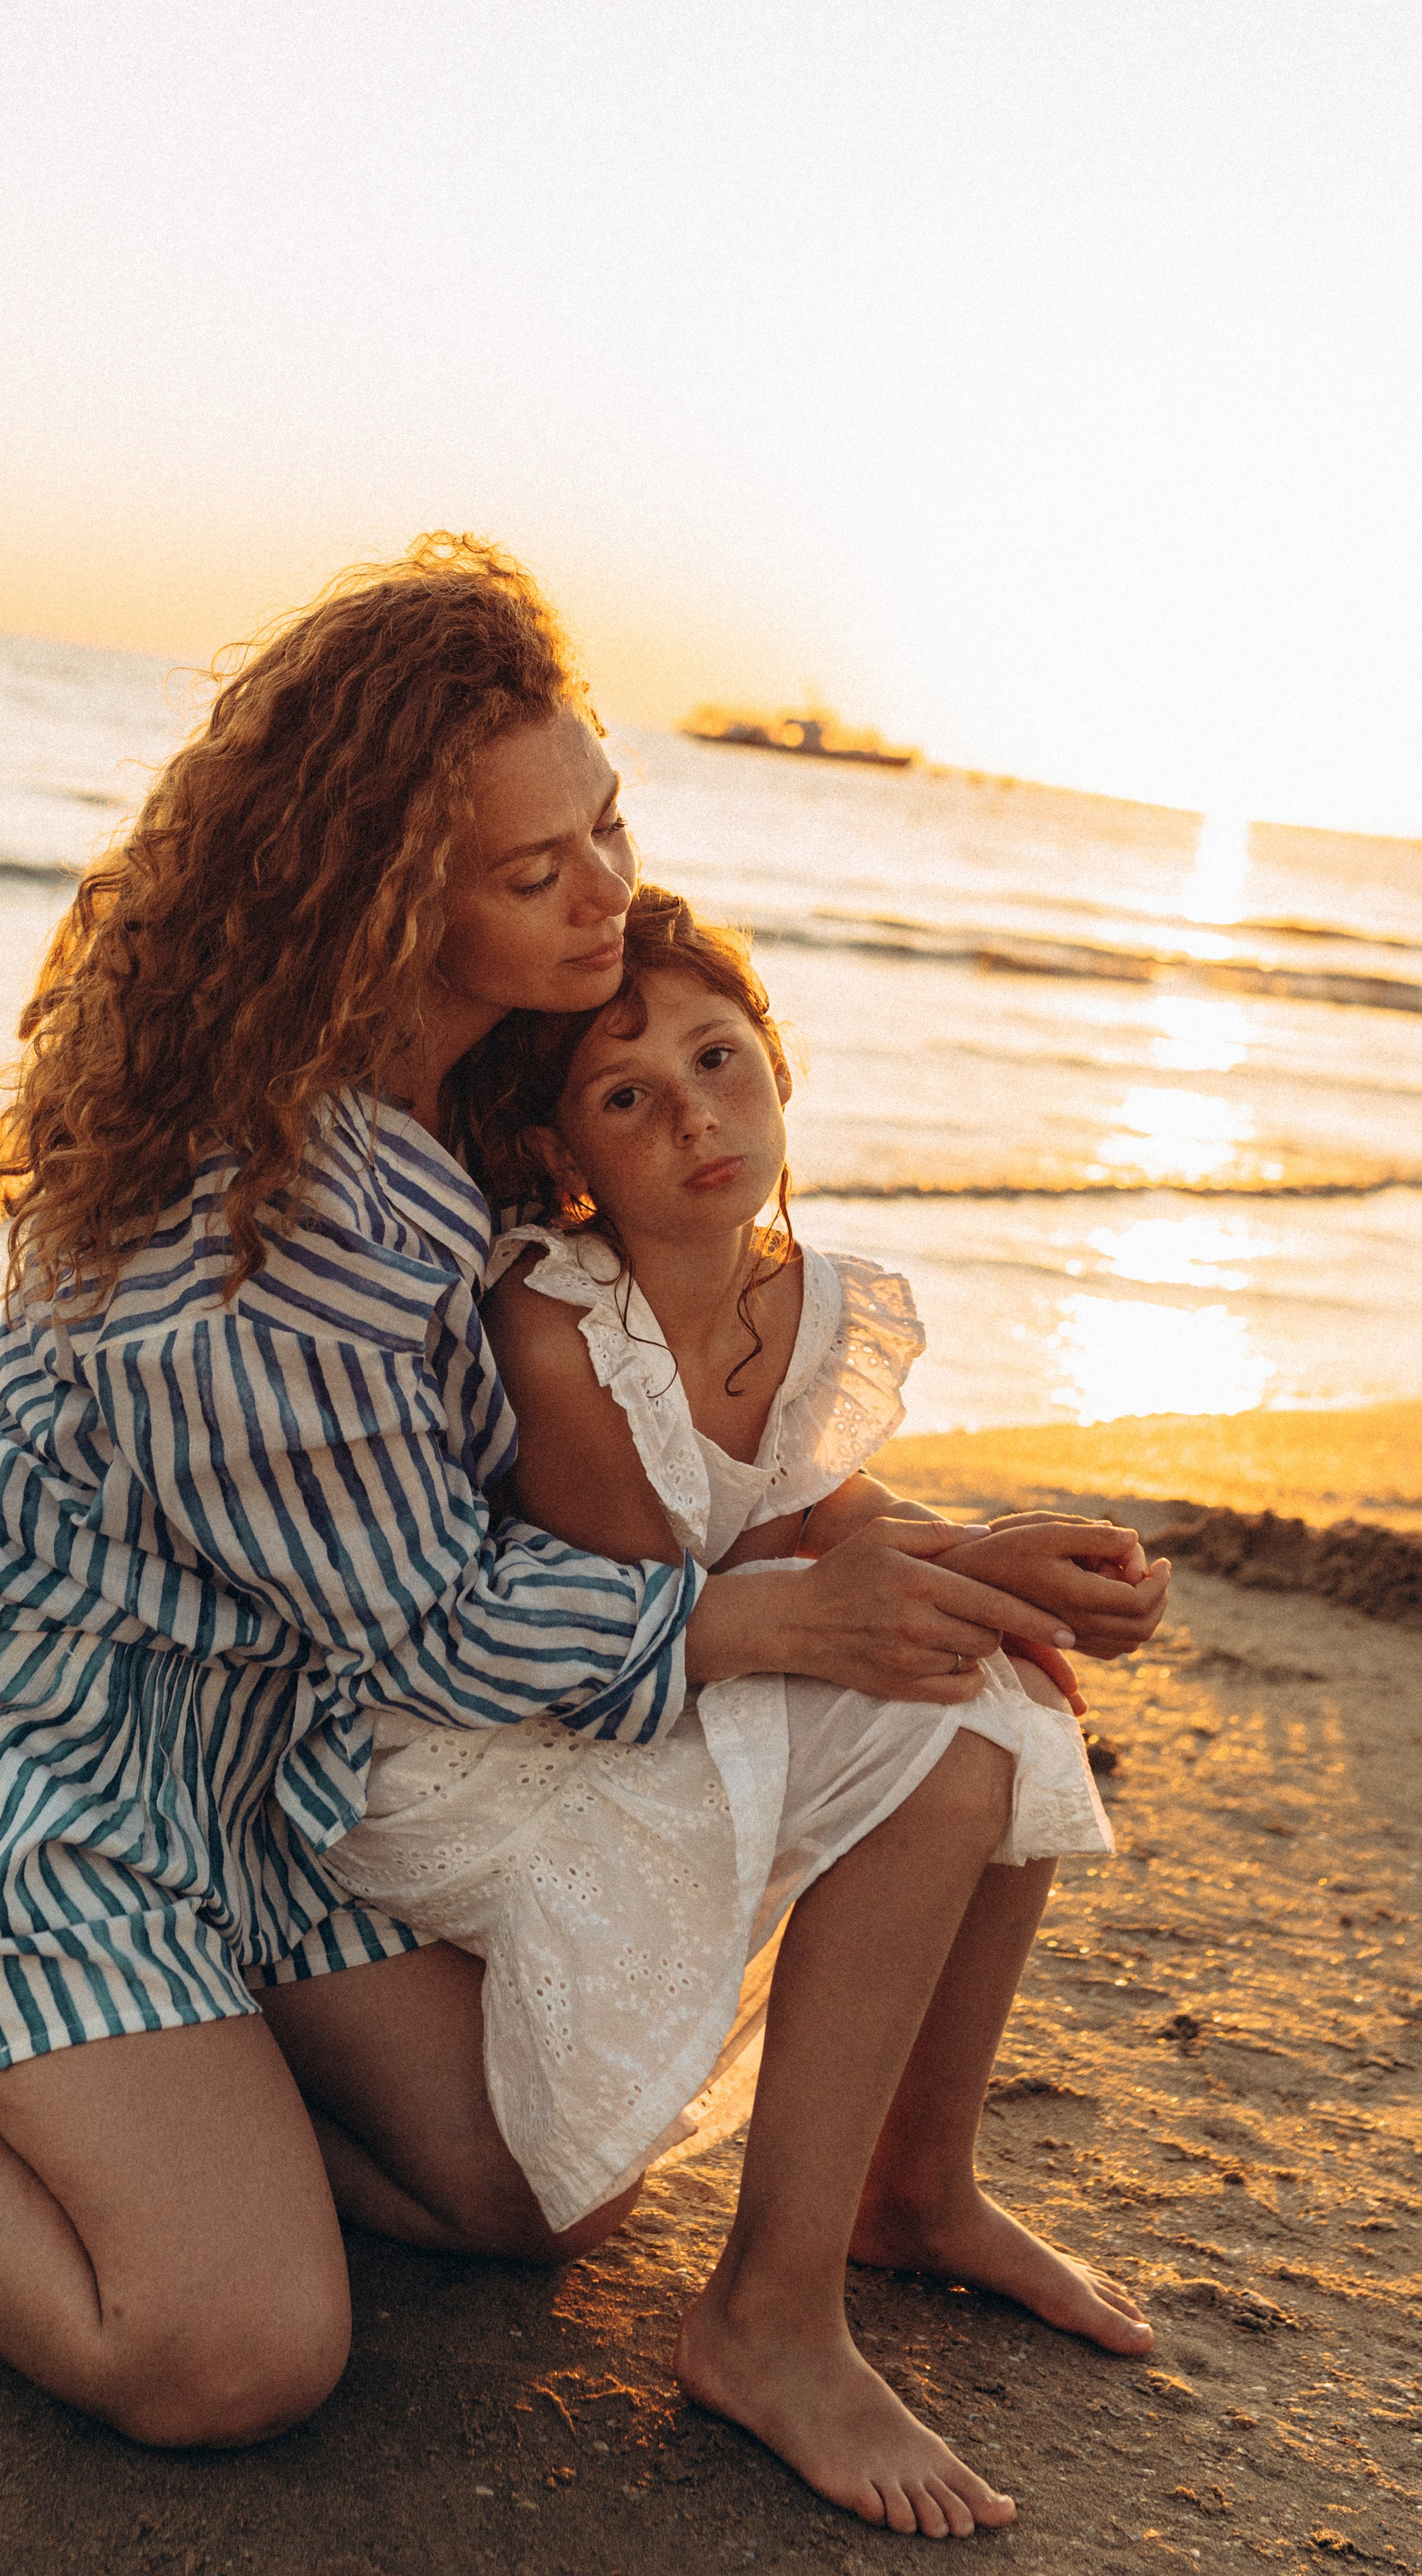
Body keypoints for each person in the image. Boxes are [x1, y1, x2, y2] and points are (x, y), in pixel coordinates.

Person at [0, 537, 1169, 2518]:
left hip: (259, 1779)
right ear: (386, 903)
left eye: (606, 825)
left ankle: (157, 2089)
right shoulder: (251, 1232)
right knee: (234, 2351)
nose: (606, 893)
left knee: (540, 2190)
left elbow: (663, 1431)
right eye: (538, 875)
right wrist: (794, 1624)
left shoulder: (459, 1098)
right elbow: (433, 1620)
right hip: (16, 1764)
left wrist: (941, 1560)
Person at [329, 884, 1165, 2531]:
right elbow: (659, 1613)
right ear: (569, 1155)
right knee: (945, 1715)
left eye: (719, 1060)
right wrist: (932, 1593)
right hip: (515, 1735)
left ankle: (914, 2192)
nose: (694, 1114)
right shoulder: (556, 1323)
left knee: (1001, 1684)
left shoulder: (816, 1299)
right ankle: (766, 2318)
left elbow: (794, 1516)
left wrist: (1003, 1572)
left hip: (685, 1649)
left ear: (779, 1067)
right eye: (625, 1096)